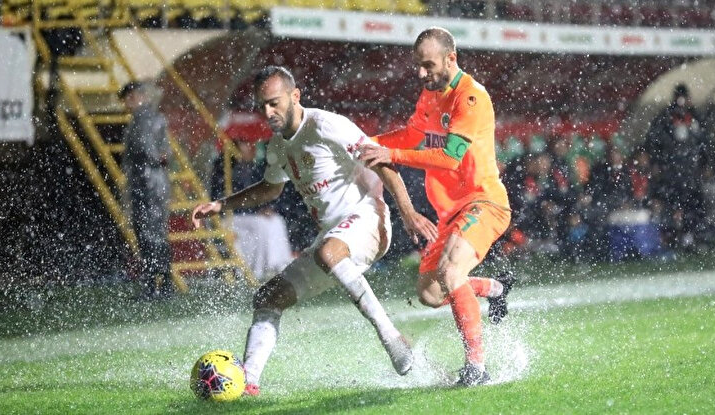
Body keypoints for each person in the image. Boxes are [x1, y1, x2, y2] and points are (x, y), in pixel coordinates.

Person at [191, 66, 437, 397]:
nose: (268, 112)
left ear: (295, 96)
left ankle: (392, 337)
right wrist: (223, 204)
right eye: (262, 105)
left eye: (274, 103)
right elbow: (270, 189)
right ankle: (247, 383)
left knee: (328, 251)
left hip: (367, 217)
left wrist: (408, 213)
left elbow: (381, 163)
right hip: (332, 238)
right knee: (267, 298)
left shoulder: (326, 125)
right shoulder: (278, 146)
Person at [359, 27, 515, 387]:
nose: (421, 74)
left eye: (427, 65)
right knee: (430, 293)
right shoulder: (429, 96)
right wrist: (366, 143)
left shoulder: (470, 98)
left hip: (484, 202)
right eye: (417, 66)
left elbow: (450, 157)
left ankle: (476, 367)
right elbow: (411, 135)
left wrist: (391, 154)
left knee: (450, 273)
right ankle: (494, 289)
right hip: (451, 212)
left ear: (451, 59)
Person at [210, 136, 292, 281]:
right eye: (245, 147)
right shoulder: (225, 169)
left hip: (248, 215)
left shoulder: (252, 168)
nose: (250, 149)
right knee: (260, 225)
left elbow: (261, 194)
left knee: (276, 221)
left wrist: (266, 208)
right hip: (232, 217)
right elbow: (226, 199)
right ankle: (257, 271)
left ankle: (280, 265)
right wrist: (254, 211)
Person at [119, 81, 174, 299]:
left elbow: (145, 148)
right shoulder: (153, 117)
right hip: (153, 183)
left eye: (128, 98)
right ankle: (162, 283)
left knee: (149, 234)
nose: (126, 104)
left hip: (147, 184)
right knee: (155, 233)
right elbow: (163, 152)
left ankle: (154, 284)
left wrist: (152, 159)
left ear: (135, 96)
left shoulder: (143, 120)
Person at [645, 83, 707, 250]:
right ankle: (670, 238)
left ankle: (690, 238)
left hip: (690, 171)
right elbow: (653, 141)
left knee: (692, 205)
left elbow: (704, 143)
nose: (682, 102)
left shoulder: (694, 117)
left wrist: (704, 163)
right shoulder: (665, 117)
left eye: (685, 98)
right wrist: (657, 162)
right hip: (671, 170)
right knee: (671, 205)